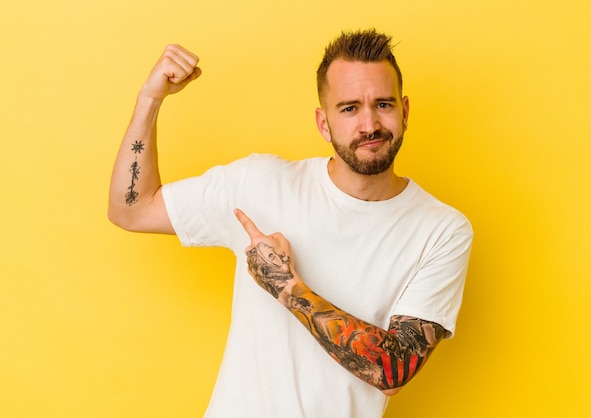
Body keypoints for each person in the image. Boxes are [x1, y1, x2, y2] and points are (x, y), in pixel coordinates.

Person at [108, 29, 473, 418]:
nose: (369, 125)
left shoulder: (442, 230)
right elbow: (132, 208)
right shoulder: (259, 184)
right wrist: (150, 99)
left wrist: (285, 285)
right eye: (349, 108)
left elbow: (392, 369)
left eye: (382, 104)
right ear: (323, 123)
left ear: (404, 111)